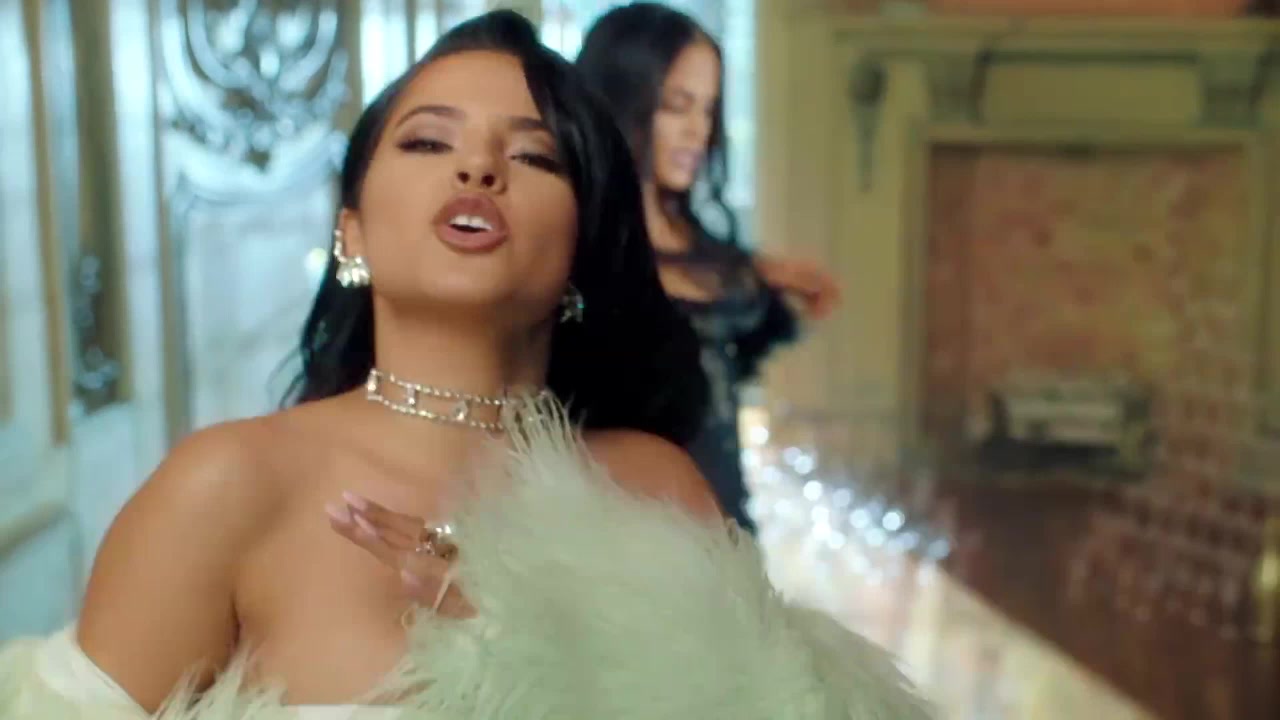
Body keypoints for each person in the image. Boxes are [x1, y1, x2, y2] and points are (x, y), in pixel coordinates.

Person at [0, 11, 930, 720]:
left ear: (584, 246)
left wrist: (548, 639)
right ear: (352, 231)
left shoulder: (654, 486)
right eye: (428, 141)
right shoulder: (229, 484)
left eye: (535, 156)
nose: (478, 169)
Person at [576, 2, 841, 533]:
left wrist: (760, 277)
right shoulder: (575, 246)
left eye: (708, 109)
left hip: (725, 519)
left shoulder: (717, 259)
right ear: (624, 100)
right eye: (677, 106)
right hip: (622, 527)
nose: (697, 130)